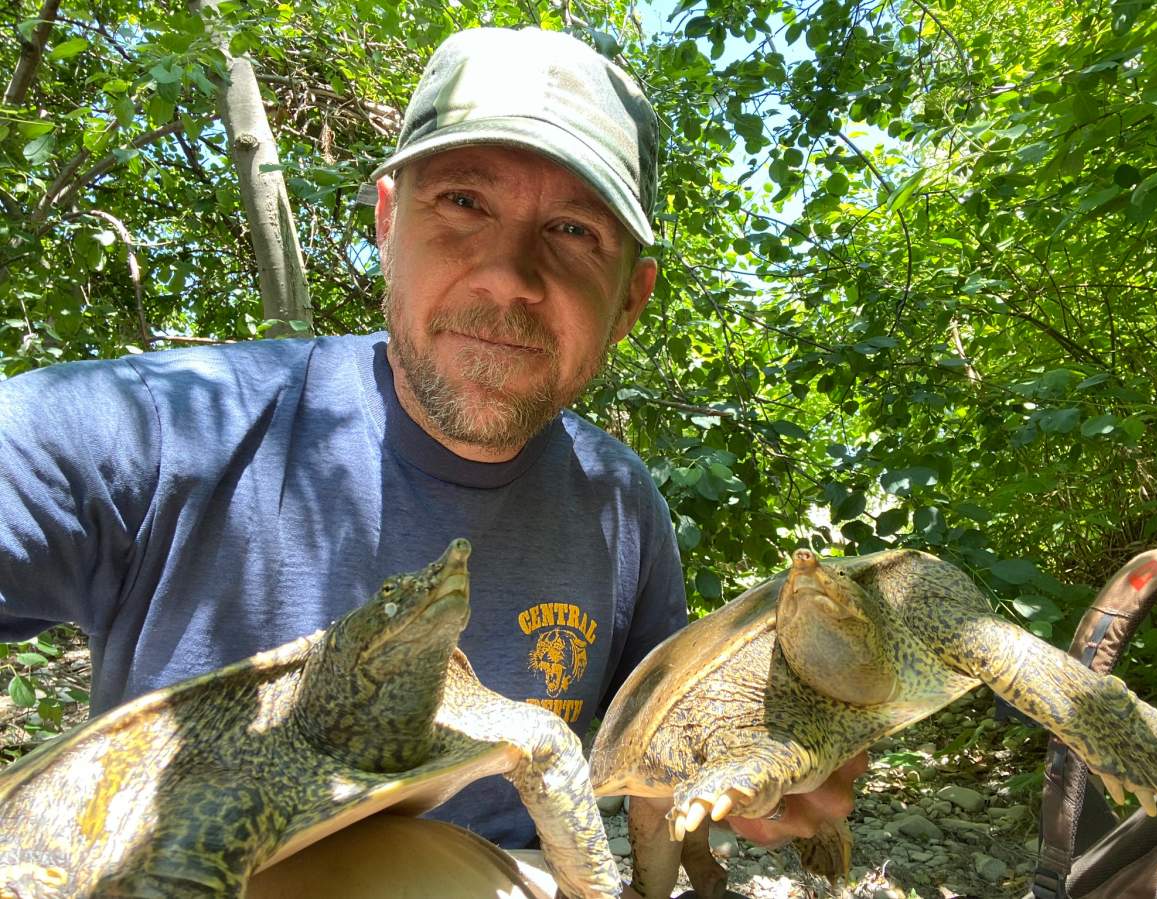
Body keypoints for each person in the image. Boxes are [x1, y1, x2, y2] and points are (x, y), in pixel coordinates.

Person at [0, 25, 862, 892]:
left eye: (572, 229)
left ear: (630, 299)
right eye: (463, 202)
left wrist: (770, 763)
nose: (508, 277)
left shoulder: (619, 504)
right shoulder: (167, 426)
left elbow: (666, 759)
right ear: (387, 221)